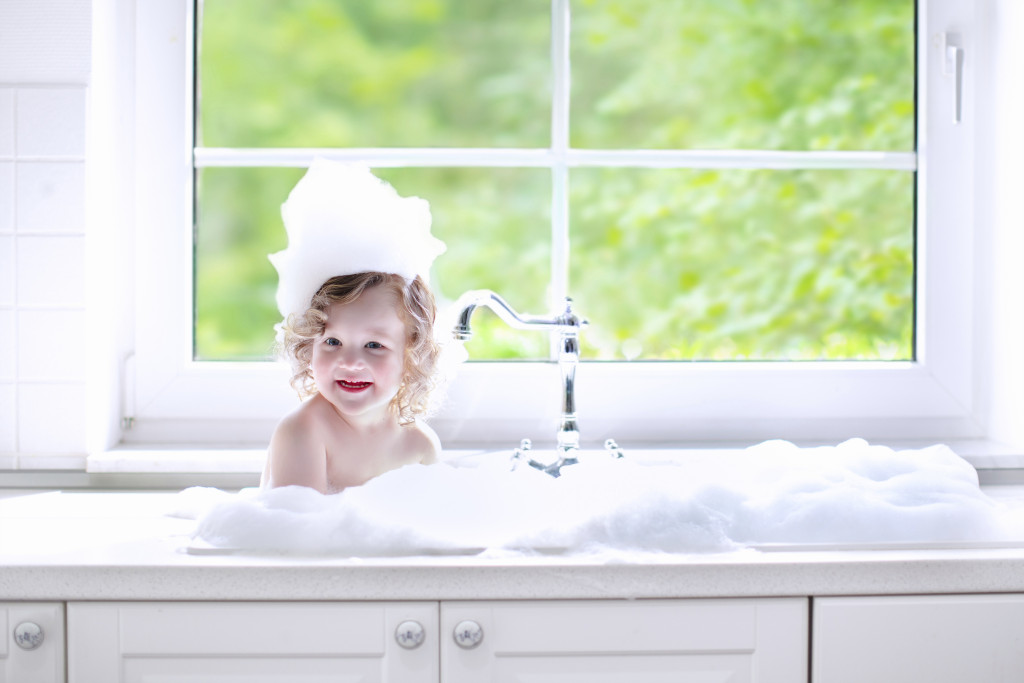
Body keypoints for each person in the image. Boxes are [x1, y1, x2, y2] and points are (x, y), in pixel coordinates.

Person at [260, 159, 447, 493]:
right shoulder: (304, 433)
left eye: (374, 345)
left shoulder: (419, 446)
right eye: (332, 342)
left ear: (412, 355)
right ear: (308, 346)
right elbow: (296, 534)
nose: (349, 362)